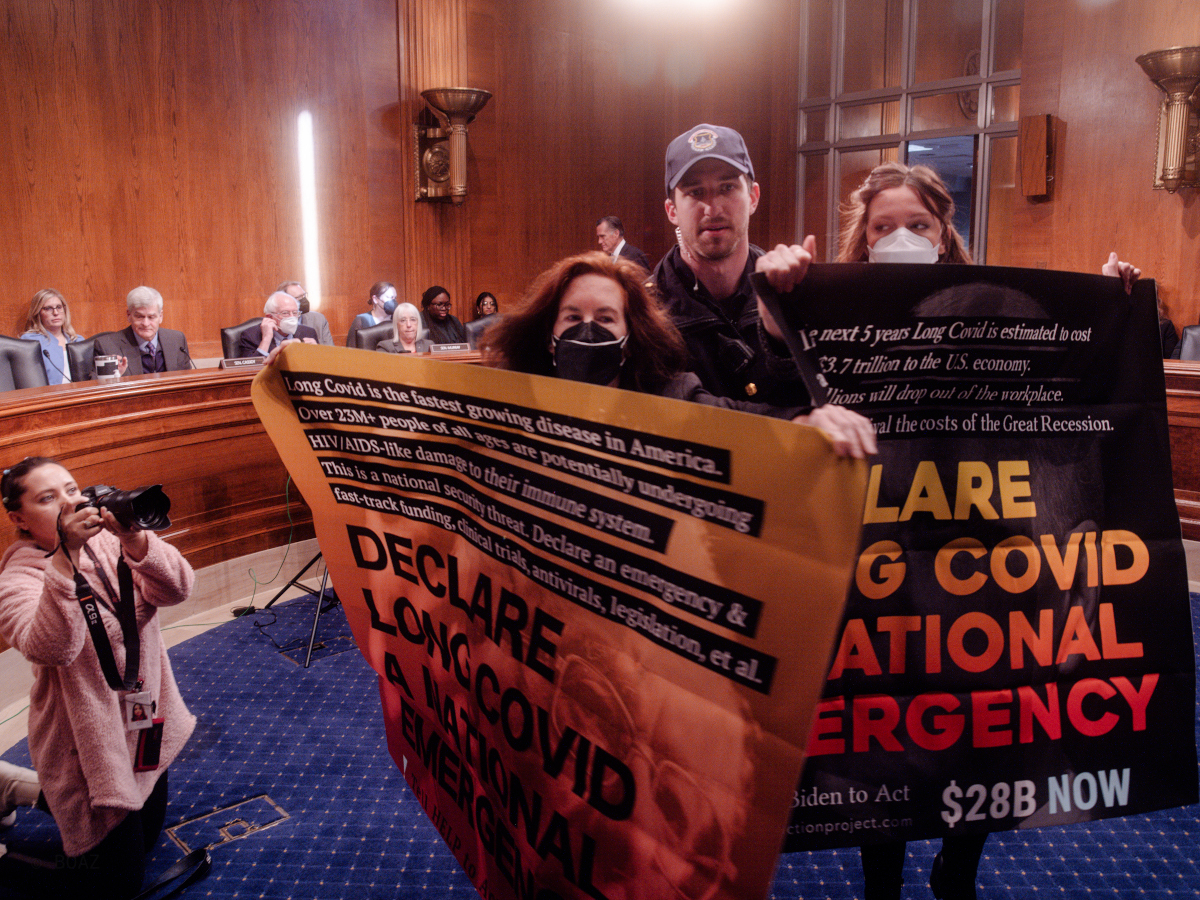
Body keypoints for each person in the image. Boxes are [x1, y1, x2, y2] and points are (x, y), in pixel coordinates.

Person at [754, 159, 1140, 900]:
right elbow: (779, 363)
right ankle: (883, 880)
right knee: (880, 724)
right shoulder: (828, 308)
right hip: (881, 549)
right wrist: (781, 294)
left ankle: (957, 866)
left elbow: (1085, 382)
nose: (902, 237)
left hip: (994, 542)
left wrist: (1116, 298)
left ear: (945, 233)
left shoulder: (984, 303)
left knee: (992, 719)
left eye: (919, 225)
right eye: (883, 227)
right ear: (860, 242)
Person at [0, 456, 195, 898]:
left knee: (144, 845)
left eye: (71, 489)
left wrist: (136, 540)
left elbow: (178, 590)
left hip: (143, 718)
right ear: (19, 518)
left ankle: (11, 786)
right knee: (112, 885)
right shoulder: (16, 580)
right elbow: (53, 648)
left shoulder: (109, 545)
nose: (69, 503)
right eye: (48, 498)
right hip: (86, 741)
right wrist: (65, 563)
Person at [482, 251, 875, 457]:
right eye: (572, 317)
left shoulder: (673, 397)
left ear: (629, 341)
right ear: (550, 337)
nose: (588, 328)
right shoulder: (511, 407)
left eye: (605, 317)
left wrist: (813, 422)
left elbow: (752, 427)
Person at [653, 124, 807, 408]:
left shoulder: (794, 292)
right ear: (672, 210)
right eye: (695, 192)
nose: (712, 208)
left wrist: (783, 337)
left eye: (727, 187)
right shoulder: (646, 311)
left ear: (753, 197)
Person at [93, 286, 193, 376]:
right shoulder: (106, 346)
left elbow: (187, 380)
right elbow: (94, 385)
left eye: (151, 317)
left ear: (160, 316)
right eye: (139, 317)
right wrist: (114, 378)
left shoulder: (176, 339)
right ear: (129, 315)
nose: (145, 323)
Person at [19, 289, 83, 384]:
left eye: (59, 307)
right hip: (49, 396)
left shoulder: (78, 340)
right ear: (38, 313)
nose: (56, 313)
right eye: (48, 308)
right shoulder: (31, 341)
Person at [239, 291, 319, 358]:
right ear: (270, 317)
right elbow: (250, 369)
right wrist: (266, 339)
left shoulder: (308, 333)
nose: (292, 317)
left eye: (295, 313)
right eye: (285, 313)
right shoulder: (250, 336)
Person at [278, 280, 333, 346]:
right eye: (299, 297)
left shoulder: (319, 319)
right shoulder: (277, 321)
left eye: (304, 295)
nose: (304, 299)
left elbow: (330, 351)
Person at [345, 282, 396, 348]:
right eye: (390, 297)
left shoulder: (398, 319)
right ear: (375, 299)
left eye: (394, 298)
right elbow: (350, 349)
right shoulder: (361, 320)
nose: (393, 301)